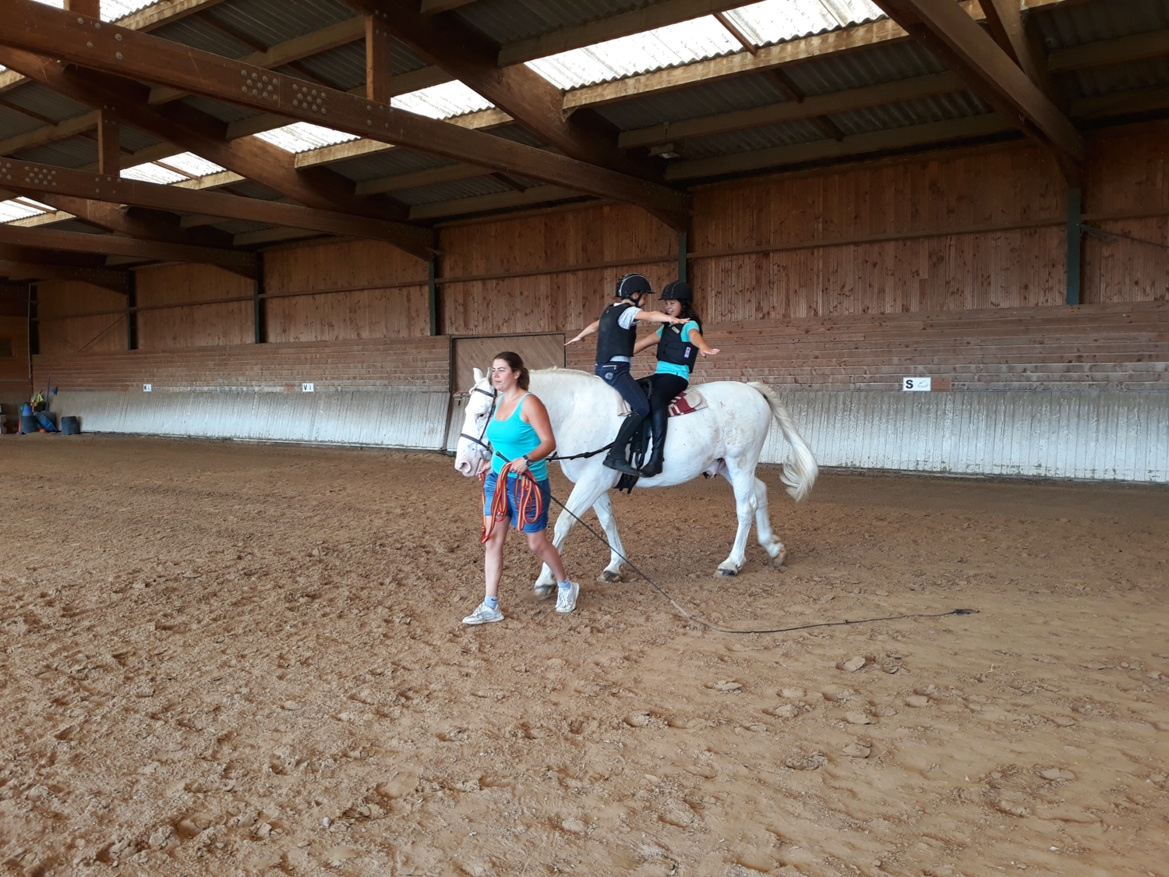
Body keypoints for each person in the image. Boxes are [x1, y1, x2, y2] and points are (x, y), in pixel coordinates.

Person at [463, 352, 580, 625]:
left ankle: (565, 585)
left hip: (530, 483)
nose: (495, 375)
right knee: (492, 540)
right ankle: (491, 605)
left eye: (501, 370)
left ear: (516, 373)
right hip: (498, 479)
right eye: (493, 370)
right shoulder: (497, 402)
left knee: (536, 544)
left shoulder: (530, 403)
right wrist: (490, 462)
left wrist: (527, 460)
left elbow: (548, 442)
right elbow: (501, 442)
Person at [565, 273, 686, 475]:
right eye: (645, 296)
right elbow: (650, 316)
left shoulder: (610, 310)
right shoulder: (629, 311)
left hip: (603, 368)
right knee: (641, 407)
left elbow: (596, 325)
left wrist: (579, 336)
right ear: (635, 294)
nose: (645, 301)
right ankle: (616, 454)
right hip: (616, 370)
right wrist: (672, 319)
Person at [631, 280, 720, 477]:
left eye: (672, 303)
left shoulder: (690, 325)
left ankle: (656, 459)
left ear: (683, 304)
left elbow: (695, 336)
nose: (667, 307)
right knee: (631, 391)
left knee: (656, 400)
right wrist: (619, 353)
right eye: (666, 304)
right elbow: (644, 342)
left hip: (677, 376)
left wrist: (703, 346)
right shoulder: (665, 329)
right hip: (660, 374)